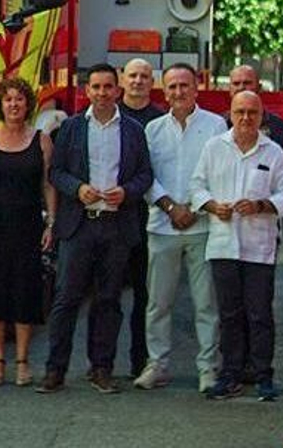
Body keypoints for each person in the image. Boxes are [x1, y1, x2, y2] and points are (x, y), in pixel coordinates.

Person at [36, 63, 154, 395]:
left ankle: (101, 368)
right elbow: (56, 172)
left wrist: (127, 191)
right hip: (79, 226)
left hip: (116, 227)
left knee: (109, 301)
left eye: (107, 87)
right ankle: (54, 370)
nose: (102, 93)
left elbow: (145, 174)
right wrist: (77, 189)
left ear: (117, 90)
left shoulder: (132, 130)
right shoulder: (72, 128)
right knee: (66, 299)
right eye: (96, 87)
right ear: (86, 90)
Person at [190, 91, 283, 401]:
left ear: (262, 116)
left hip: (259, 246)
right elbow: (197, 186)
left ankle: (264, 375)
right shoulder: (214, 147)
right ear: (230, 115)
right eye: (240, 112)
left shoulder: (273, 152)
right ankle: (230, 373)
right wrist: (211, 206)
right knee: (230, 313)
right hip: (223, 244)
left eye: (252, 112)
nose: (246, 118)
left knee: (260, 314)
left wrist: (262, 205)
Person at [134, 63, 227, 394]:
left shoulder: (216, 126)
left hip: (202, 226)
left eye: (184, 86)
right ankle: (157, 364)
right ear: (164, 90)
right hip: (162, 226)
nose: (178, 92)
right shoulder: (153, 130)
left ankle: (208, 369)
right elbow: (145, 176)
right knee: (158, 303)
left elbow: (220, 173)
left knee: (206, 303)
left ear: (197, 87)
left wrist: (194, 206)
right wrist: (171, 207)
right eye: (172, 87)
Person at [0, 76, 57, 387]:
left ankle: (22, 360)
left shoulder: (41, 140)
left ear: (28, 104)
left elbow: (47, 185)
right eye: (8, 99)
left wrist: (51, 223)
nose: (13, 105)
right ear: (0, 104)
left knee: (25, 291)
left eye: (19, 99)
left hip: (28, 224)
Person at [116, 57, 163, 378]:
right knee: (107, 295)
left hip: (148, 217)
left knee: (146, 296)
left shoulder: (160, 121)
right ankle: (101, 363)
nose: (137, 81)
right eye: (132, 75)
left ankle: (140, 361)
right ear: (122, 79)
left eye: (144, 76)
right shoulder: (107, 114)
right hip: (112, 218)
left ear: (152, 82)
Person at [227, 64, 283, 152]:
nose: (241, 87)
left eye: (247, 83)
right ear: (229, 89)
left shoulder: (280, 128)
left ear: (259, 87)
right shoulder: (221, 125)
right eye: (236, 83)